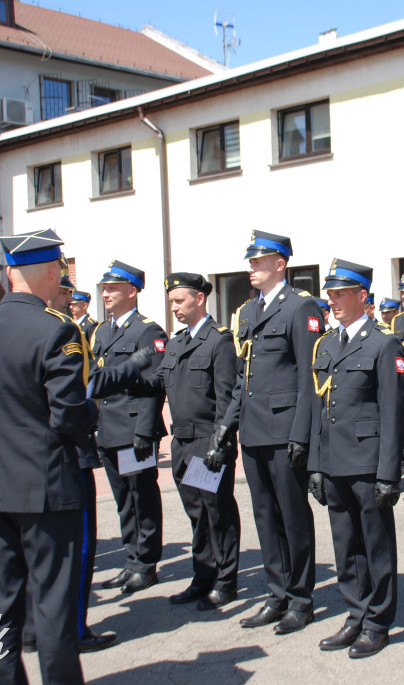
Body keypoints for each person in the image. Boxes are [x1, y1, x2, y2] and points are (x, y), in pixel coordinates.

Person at [0, 229, 97, 685]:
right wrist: (93, 410)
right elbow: (70, 414)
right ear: (53, 272)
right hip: (47, 487)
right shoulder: (57, 329)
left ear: (9, 273)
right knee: (52, 603)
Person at [209, 230, 323, 634]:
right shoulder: (249, 312)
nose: (251, 268)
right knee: (265, 517)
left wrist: (301, 435)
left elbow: (311, 378)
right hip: (255, 430)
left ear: (280, 264)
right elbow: (245, 375)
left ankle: (301, 599)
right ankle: (277, 594)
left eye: (258, 262)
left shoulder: (300, 307)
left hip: (284, 430)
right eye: (250, 262)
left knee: (293, 517)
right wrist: (228, 422)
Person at [307, 259, 404, 658]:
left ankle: (378, 620)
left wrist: (388, 474)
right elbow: (319, 409)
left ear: (362, 296)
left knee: (376, 544)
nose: (333, 301)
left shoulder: (384, 344)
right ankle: (355, 613)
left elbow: (394, 411)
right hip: (332, 461)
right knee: (345, 544)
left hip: (367, 463)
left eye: (341, 294)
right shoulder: (326, 343)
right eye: (330, 295)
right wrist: (315, 464)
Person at [21, 279, 119, 654]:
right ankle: (73, 631)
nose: (70, 300)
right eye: (65, 293)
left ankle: (31, 630)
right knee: (73, 553)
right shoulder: (63, 332)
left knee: (31, 555)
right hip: (63, 458)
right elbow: (76, 400)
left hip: (18, 464)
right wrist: (91, 416)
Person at [144, 273, 242, 610]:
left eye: (179, 301)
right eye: (172, 302)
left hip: (207, 443)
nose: (174, 308)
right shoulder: (176, 343)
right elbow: (156, 383)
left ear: (199, 299)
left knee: (217, 513)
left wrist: (220, 443)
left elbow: (228, 398)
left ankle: (226, 581)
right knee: (196, 515)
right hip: (182, 443)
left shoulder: (218, 341)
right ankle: (203, 578)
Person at [92, 260, 168, 594]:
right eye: (104, 288)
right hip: (108, 429)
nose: (105, 293)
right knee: (123, 499)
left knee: (142, 496)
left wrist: (144, 431)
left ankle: (147, 564)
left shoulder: (147, 331)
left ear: (131, 291)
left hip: (133, 430)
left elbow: (155, 385)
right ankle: (131, 558)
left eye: (112, 288)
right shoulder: (102, 331)